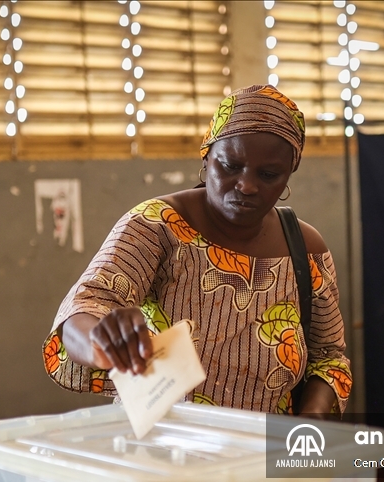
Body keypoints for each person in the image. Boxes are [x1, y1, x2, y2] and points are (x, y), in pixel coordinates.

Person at [44, 84, 351, 417]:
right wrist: (101, 342)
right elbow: (84, 309)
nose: (247, 185)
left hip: (263, 450)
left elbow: (329, 357)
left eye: (268, 174)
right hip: (165, 449)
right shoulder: (158, 227)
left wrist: (312, 419)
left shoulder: (305, 251)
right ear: (206, 157)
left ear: (289, 174)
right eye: (230, 166)